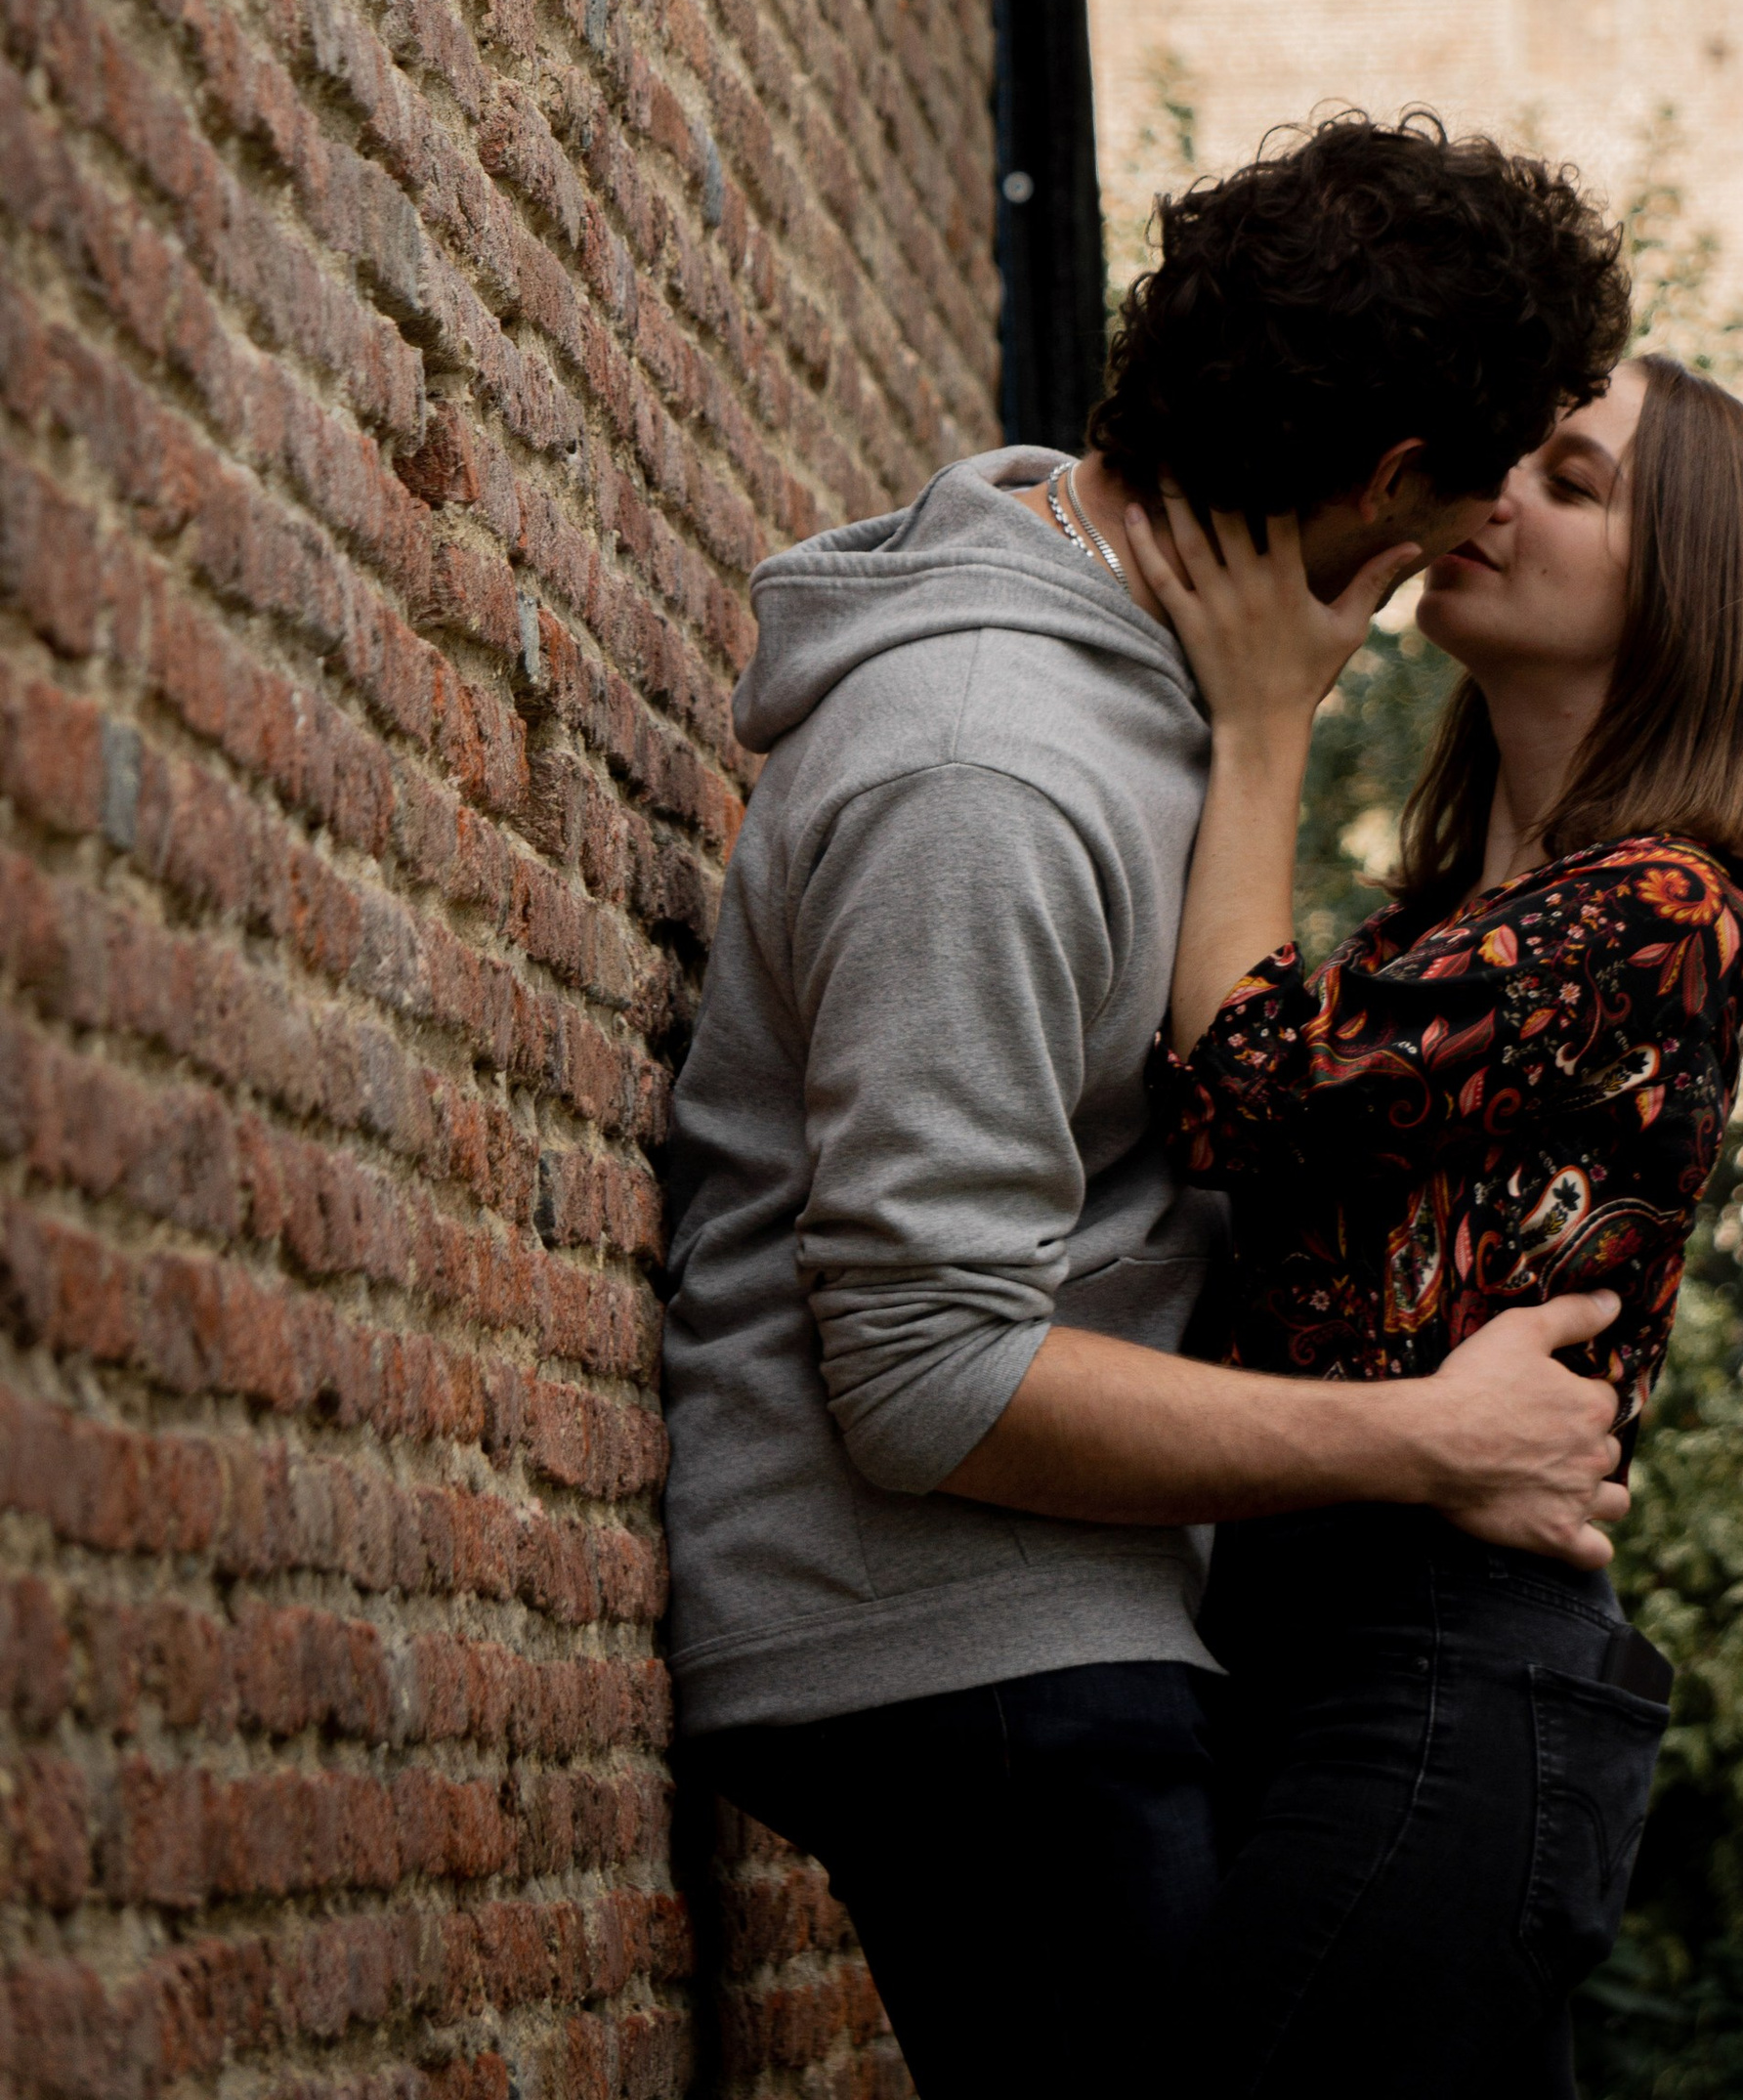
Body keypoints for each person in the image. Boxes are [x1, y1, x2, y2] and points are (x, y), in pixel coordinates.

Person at [659, 114, 1635, 2100]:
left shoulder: (1151, 685)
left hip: (1076, 1622)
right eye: (1467, 506)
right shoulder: (984, 774)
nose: (1463, 552)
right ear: (1383, 485)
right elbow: (923, 1376)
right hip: (961, 1650)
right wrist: (1426, 1446)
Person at [1131, 350, 1743, 2100]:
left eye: (1575, 482)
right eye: (1516, 457)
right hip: (1323, 1648)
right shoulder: (1450, 925)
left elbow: (1239, 1092)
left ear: (1693, 597)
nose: (1500, 494)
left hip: (1440, 1671)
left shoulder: (1662, 909)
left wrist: (1265, 715)